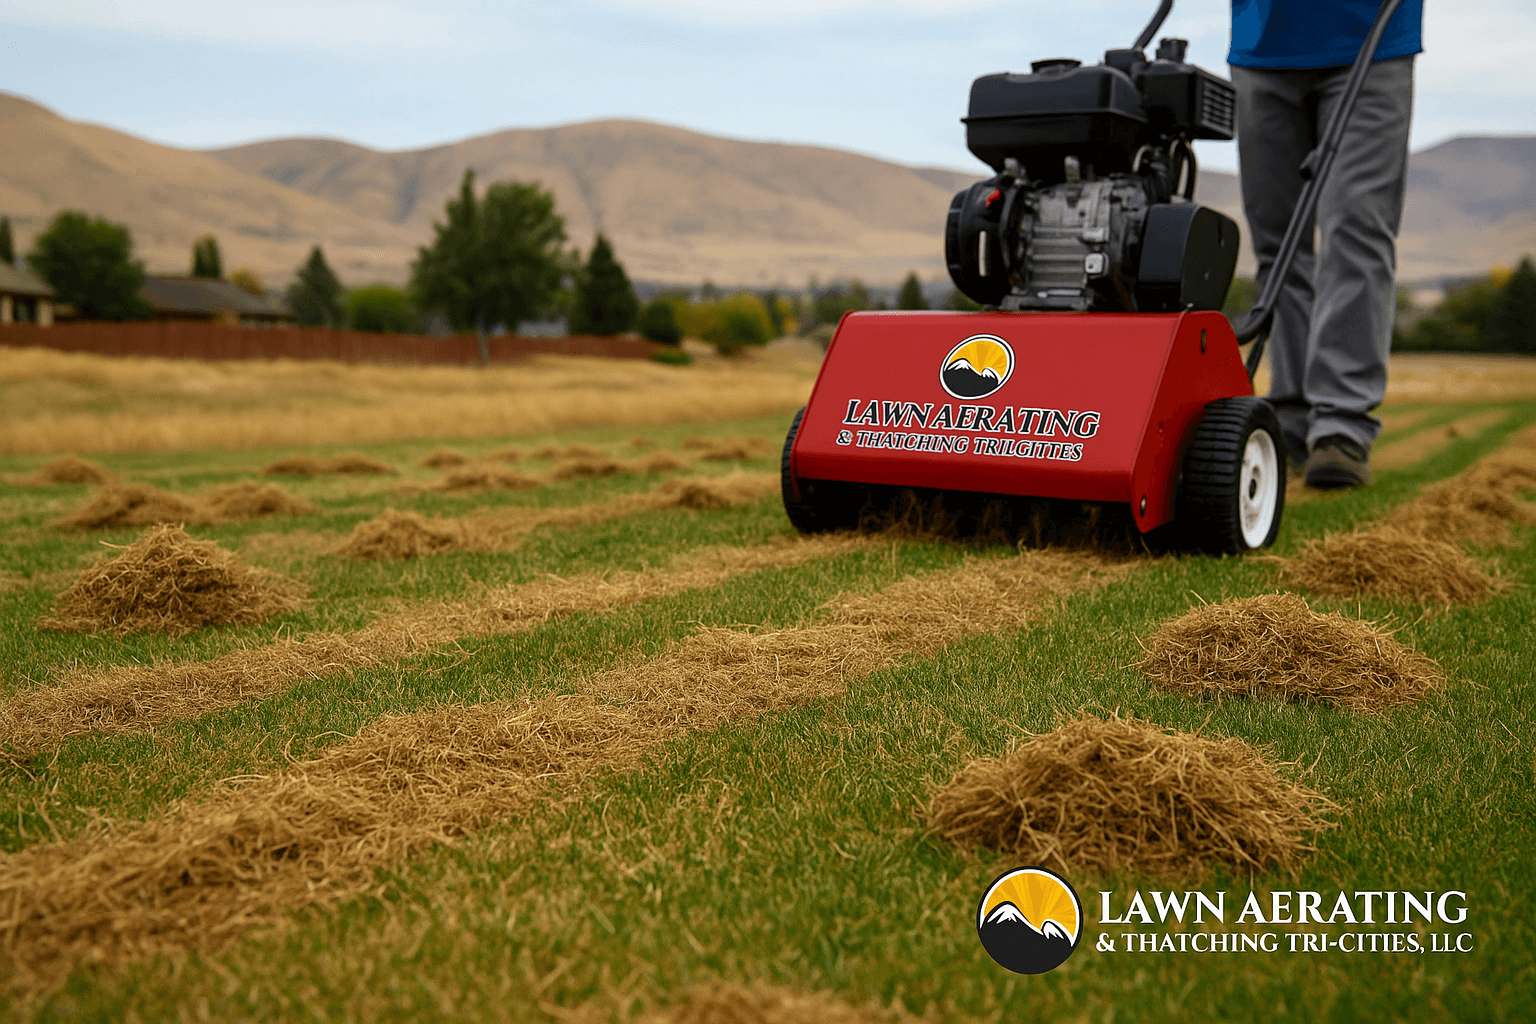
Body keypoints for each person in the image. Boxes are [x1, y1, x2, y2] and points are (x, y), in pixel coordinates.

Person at [1229, 0, 1423, 488]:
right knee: (1278, 244)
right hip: (1261, 45)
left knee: (1356, 228)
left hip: (1372, 39)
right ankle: (1290, 418)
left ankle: (1341, 425)